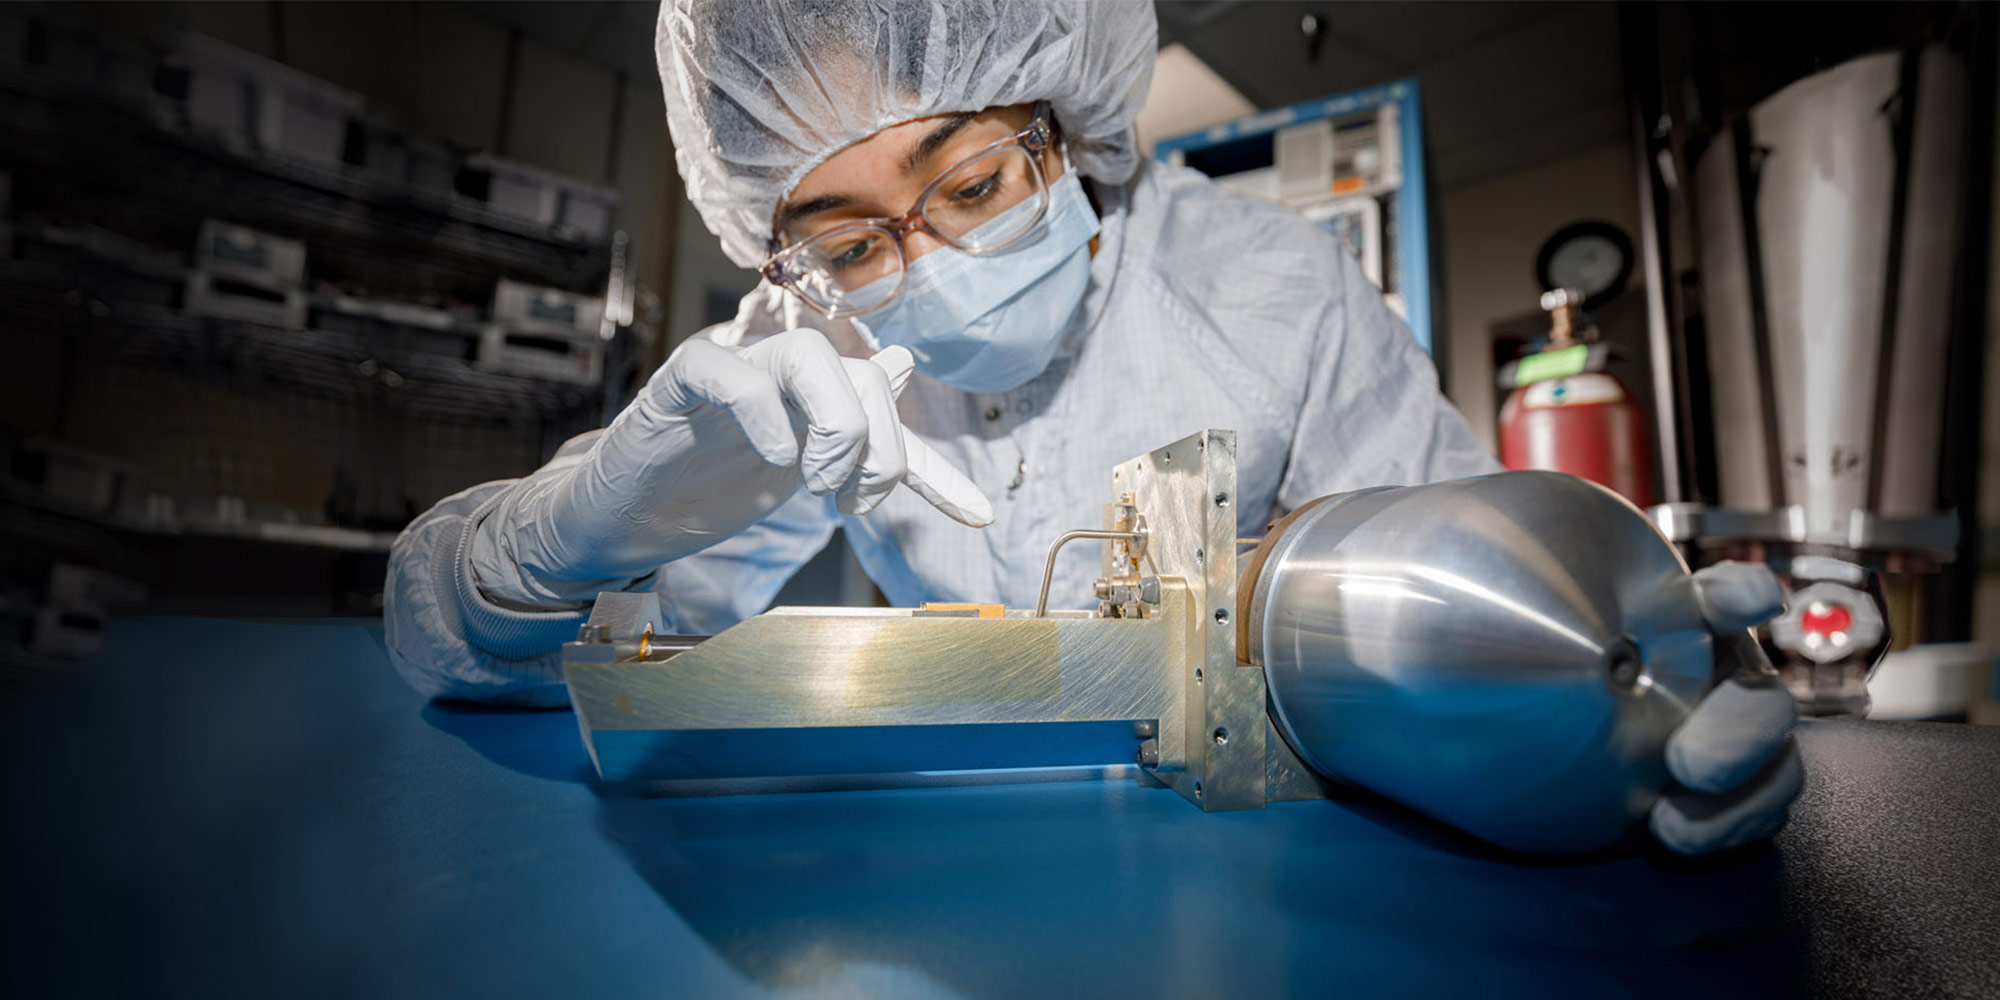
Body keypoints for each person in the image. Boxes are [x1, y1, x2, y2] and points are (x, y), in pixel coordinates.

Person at [385, 0, 1802, 855]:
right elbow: (464, 659)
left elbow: (1485, 602)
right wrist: (552, 548)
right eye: (851, 241)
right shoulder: (811, 356)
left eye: (974, 180)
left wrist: (1631, 686)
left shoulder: (1266, 291)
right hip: (963, 877)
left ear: (1059, 123)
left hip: (1284, 874)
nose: (926, 259)